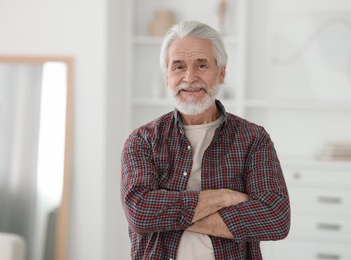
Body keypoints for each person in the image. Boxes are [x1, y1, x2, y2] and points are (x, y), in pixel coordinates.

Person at [121, 20, 290, 260]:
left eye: (201, 65)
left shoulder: (253, 139)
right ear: (167, 76)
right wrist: (223, 197)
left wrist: (167, 214)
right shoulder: (143, 141)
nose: (189, 77)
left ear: (221, 73)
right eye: (178, 67)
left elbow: (275, 219)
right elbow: (140, 213)